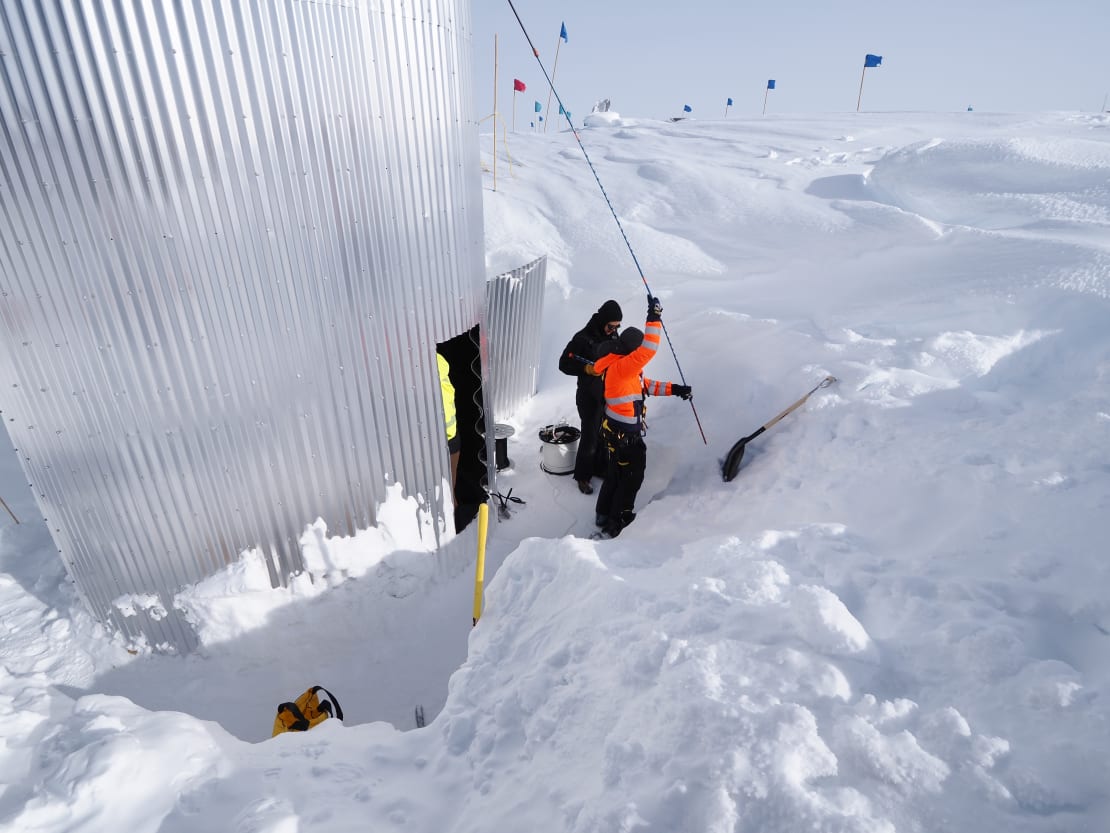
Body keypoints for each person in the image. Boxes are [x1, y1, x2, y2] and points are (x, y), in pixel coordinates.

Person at [587, 296, 692, 538]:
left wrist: (676, 389)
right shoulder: (622, 368)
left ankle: (602, 514)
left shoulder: (624, 370)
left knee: (616, 473)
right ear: (632, 351)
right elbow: (650, 349)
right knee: (631, 478)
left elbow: (645, 386)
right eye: (638, 351)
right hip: (626, 437)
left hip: (617, 434)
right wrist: (653, 318)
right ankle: (618, 521)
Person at [558, 299, 623, 495]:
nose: (613, 330)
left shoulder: (612, 338)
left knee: (604, 434)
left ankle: (600, 467)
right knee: (590, 436)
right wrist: (586, 368)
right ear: (602, 320)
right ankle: (583, 476)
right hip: (588, 396)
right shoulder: (582, 338)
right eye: (611, 326)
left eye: (617, 327)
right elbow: (563, 364)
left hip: (607, 394)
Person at [437, 350, 460, 506]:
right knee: (450, 490)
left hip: (440, 439)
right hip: (452, 436)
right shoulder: (439, 361)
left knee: (442, 492)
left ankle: (455, 525)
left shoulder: (415, 370)